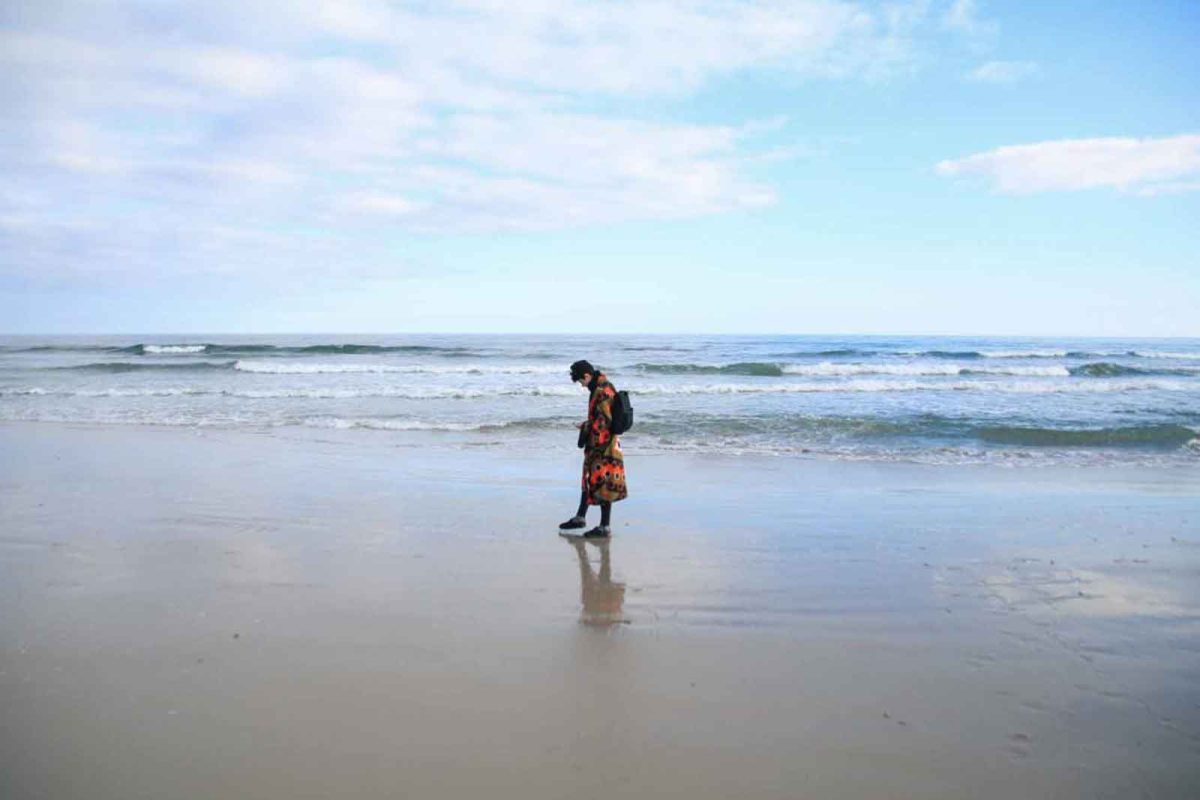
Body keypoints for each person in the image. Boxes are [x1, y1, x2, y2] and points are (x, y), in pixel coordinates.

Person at [559, 360, 627, 537]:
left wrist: (585, 427)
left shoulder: (601, 391)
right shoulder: (602, 386)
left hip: (604, 446)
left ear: (587, 376)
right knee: (591, 480)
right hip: (604, 444)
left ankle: (604, 527)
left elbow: (604, 423)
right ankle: (580, 517)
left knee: (602, 483)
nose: (581, 385)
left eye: (581, 381)